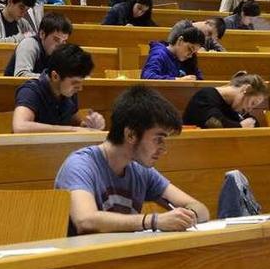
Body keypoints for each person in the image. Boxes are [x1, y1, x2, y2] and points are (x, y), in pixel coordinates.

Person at [54, 86, 210, 235]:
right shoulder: (80, 165)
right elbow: (85, 220)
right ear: (131, 135)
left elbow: (200, 208)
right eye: (158, 139)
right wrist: (153, 221)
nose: (164, 148)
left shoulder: (141, 170)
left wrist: (187, 216)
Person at [13, 44, 104, 133]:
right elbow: (20, 126)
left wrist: (89, 125)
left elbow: (75, 122)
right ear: (55, 76)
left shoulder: (68, 92)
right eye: (75, 82)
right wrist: (72, 130)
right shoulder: (31, 91)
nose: (80, 88)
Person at [183, 71, 268, 128]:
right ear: (246, 89)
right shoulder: (205, 96)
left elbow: (252, 121)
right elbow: (215, 124)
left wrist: (251, 122)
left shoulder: (234, 106)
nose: (250, 109)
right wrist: (241, 126)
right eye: (253, 103)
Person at [5, 13, 72, 77]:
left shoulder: (59, 51)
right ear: (42, 34)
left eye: (64, 41)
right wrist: (53, 79)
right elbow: (21, 75)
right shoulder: (29, 45)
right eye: (56, 39)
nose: (60, 45)